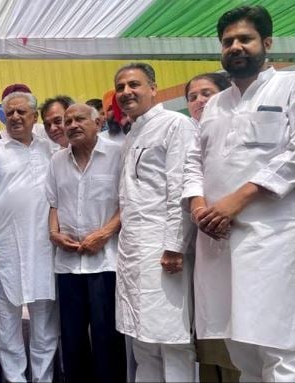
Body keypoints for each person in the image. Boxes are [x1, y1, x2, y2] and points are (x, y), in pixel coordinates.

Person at [184, 5, 295, 381]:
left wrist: (236, 200)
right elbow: (193, 162)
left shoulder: (290, 86)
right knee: (239, 346)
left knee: (279, 347)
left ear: (266, 43)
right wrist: (199, 205)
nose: (235, 46)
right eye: (228, 41)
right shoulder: (215, 103)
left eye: (244, 39)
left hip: (272, 239)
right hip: (217, 241)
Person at [115, 62, 198, 382]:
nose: (126, 92)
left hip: (163, 250)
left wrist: (175, 246)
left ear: (153, 88)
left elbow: (180, 188)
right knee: (141, 341)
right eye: (120, 87)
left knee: (170, 338)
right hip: (133, 249)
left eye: (133, 85)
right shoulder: (132, 133)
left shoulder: (175, 124)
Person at [47, 103, 126, 382]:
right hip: (67, 264)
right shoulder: (57, 160)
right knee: (72, 337)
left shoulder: (117, 153)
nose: (72, 125)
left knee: (107, 338)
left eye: (80, 119)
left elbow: (127, 203)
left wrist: (104, 234)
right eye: (67, 121)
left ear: (99, 122)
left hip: (105, 262)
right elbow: (53, 203)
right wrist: (53, 233)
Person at [0, 91, 58, 382]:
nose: (15, 117)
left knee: (45, 328)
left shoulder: (51, 149)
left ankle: (43, 379)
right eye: (10, 113)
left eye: (21, 112)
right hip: (6, 249)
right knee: (7, 327)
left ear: (34, 116)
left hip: (44, 250)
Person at [181, 71, 239, 383]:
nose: (200, 101)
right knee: (208, 323)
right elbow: (191, 175)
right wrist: (199, 207)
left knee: (240, 323)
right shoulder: (190, 135)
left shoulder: (237, 127)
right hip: (201, 242)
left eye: (207, 93)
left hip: (240, 236)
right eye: (193, 96)